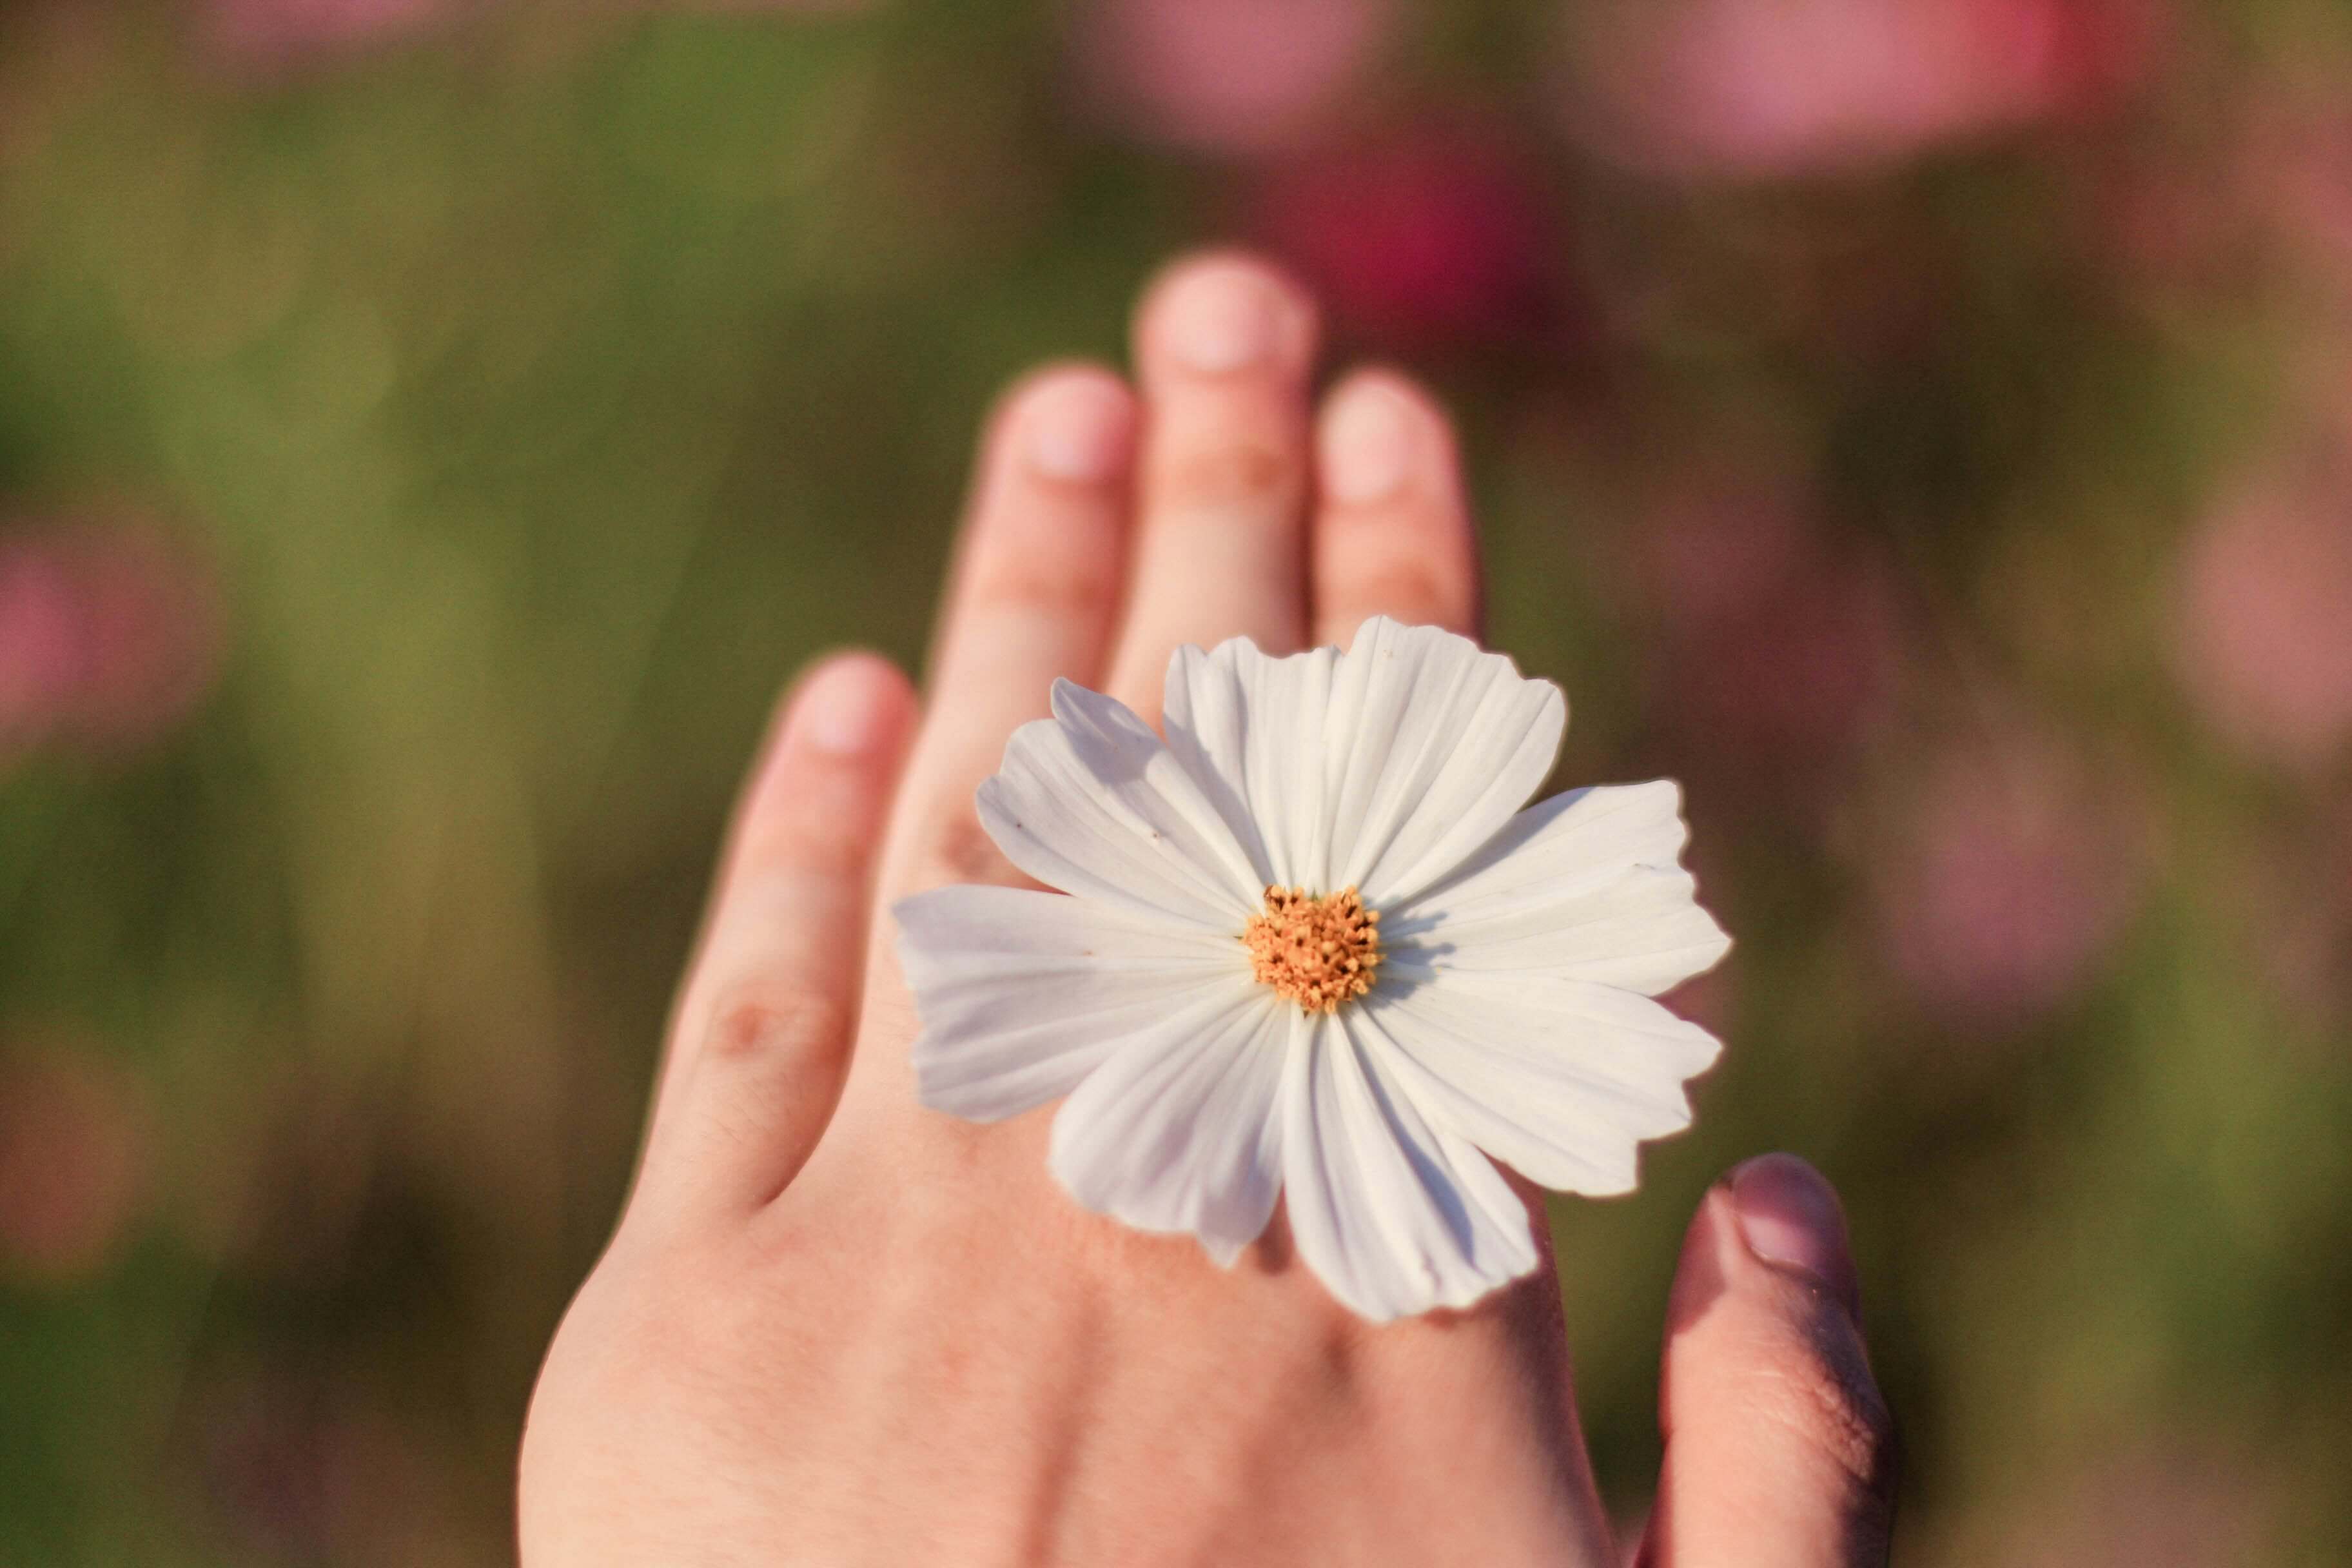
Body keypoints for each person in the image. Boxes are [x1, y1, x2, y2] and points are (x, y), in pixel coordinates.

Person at [516, 251, 1898, 1566]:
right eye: (1303, 932)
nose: (1315, 941)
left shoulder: (1336, 941)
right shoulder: (1287, 942)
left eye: (1318, 931)